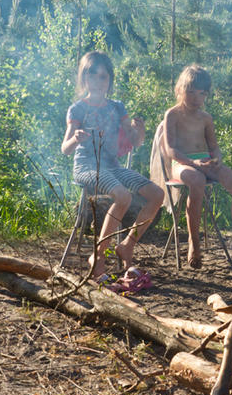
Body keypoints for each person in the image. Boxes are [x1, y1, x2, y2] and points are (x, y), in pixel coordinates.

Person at [61, 51, 163, 279]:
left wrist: (140, 130)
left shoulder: (117, 107)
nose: (98, 82)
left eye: (103, 77)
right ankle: (98, 255)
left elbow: (135, 141)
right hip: (87, 166)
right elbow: (65, 149)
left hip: (112, 166)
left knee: (157, 194)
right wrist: (75, 139)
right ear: (84, 79)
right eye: (93, 76)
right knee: (123, 196)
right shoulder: (77, 109)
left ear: (110, 80)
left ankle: (127, 245)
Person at [162, 64, 232, 269]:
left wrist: (217, 159)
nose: (195, 98)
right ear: (180, 89)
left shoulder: (206, 118)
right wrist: (192, 163)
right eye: (190, 92)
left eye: (201, 94)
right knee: (197, 180)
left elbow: (214, 147)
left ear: (206, 95)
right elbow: (171, 150)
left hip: (205, 162)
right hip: (182, 164)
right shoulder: (172, 114)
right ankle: (194, 242)